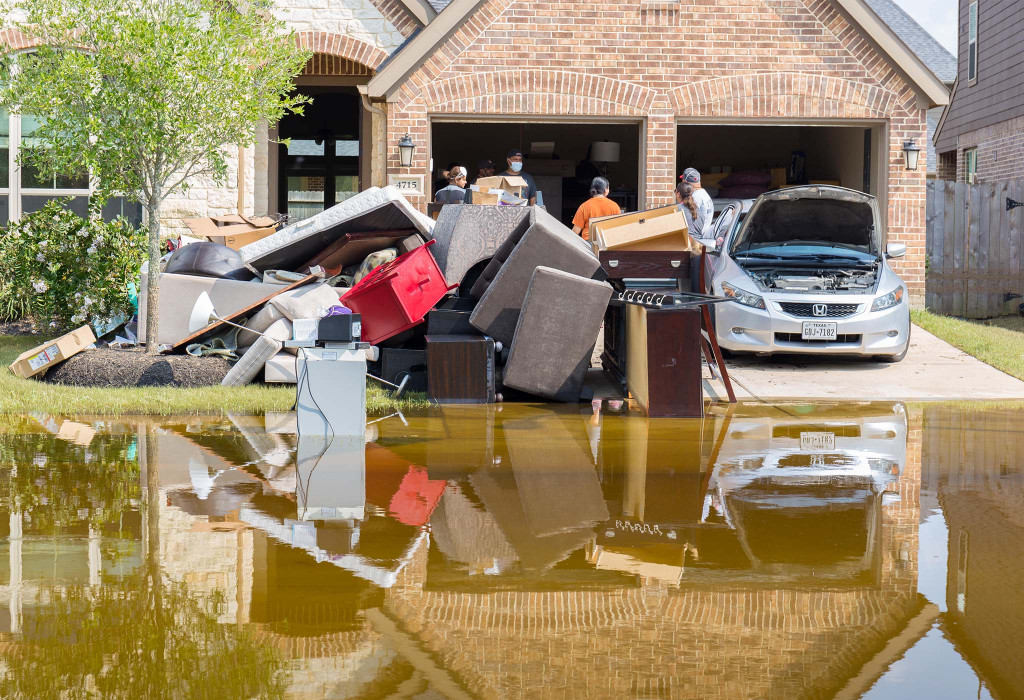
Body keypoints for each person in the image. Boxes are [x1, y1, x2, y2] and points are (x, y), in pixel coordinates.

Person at [572, 177, 621, 241]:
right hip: (607, 243)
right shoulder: (614, 206)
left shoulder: (584, 206)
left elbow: (575, 231)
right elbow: (618, 229)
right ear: (606, 190)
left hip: (588, 245)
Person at [680, 167, 713, 237]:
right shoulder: (703, 193)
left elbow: (689, 220)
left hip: (696, 238)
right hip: (703, 235)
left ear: (685, 182)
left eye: (682, 180)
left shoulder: (695, 197)